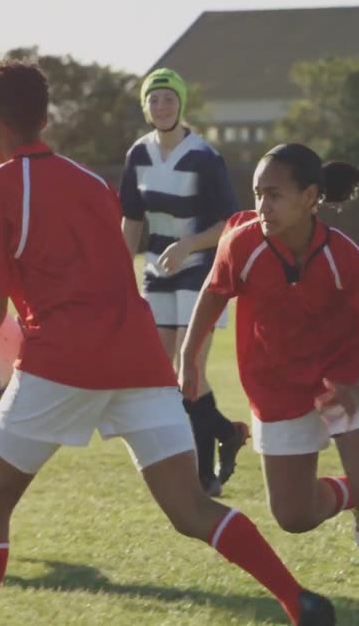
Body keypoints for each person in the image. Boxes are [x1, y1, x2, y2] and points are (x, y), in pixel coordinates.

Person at [0, 61, 335, 626]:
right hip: (139, 361)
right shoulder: (90, 183)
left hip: (61, 363)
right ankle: (295, 599)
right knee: (191, 508)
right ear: (45, 118)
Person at [179, 143, 359, 626]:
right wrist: (190, 357)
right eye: (258, 194)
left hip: (347, 376)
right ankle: (353, 494)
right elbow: (214, 293)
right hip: (276, 384)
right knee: (294, 516)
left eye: (275, 195)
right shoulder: (242, 243)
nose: (262, 206)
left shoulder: (344, 255)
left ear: (310, 197)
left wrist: (358, 393)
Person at [120, 67, 249, 496]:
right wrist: (122, 273)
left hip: (202, 274)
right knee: (163, 372)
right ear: (146, 106)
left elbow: (231, 224)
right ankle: (226, 433)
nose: (161, 107)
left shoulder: (204, 157)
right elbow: (132, 219)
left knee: (188, 368)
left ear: (181, 104)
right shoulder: (137, 154)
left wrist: (189, 245)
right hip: (156, 274)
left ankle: (203, 475)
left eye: (169, 99)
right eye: (154, 100)